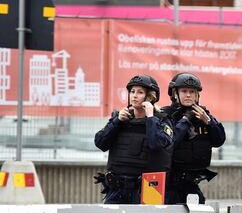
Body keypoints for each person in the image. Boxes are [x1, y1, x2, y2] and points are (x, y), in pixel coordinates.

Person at [94, 75, 174, 204]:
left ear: (150, 97)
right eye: (132, 91)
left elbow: (156, 145)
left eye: (140, 92)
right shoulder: (120, 119)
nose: (134, 96)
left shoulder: (162, 121)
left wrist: (150, 118)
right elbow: (100, 143)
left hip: (149, 187)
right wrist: (117, 121)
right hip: (117, 188)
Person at [162, 73, 226, 204]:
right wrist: (186, 119)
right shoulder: (165, 115)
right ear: (175, 94)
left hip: (191, 184)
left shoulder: (203, 115)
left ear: (197, 95)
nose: (188, 95)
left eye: (192, 92)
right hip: (168, 184)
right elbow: (168, 143)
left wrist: (208, 122)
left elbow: (219, 141)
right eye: (184, 91)